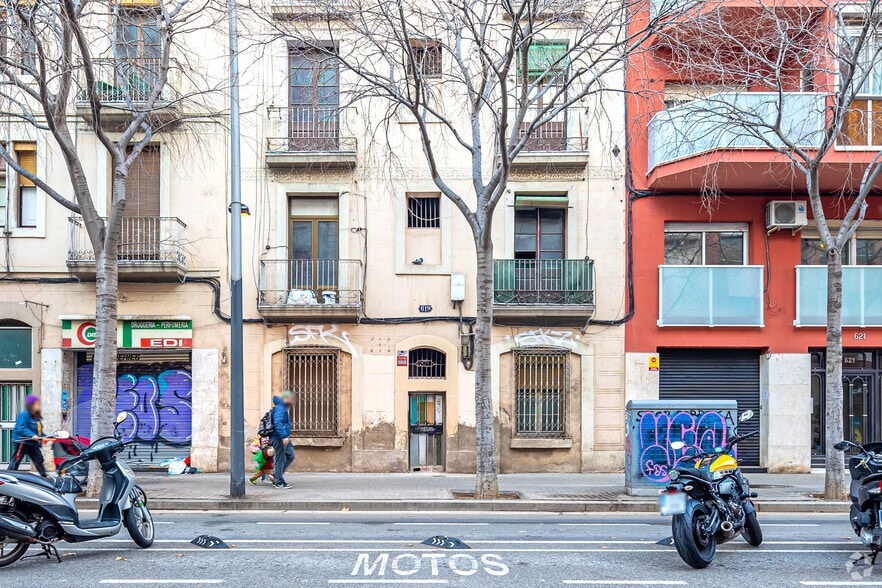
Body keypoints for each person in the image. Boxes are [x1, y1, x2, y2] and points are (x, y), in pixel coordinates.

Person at [8, 394, 46, 476]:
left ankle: (44, 477)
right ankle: (8, 476)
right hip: (22, 442)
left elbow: (39, 431)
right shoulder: (24, 414)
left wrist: (46, 437)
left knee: (39, 459)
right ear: (31, 405)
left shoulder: (36, 417)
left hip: (32, 443)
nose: (39, 405)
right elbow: (20, 427)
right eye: (37, 403)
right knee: (16, 460)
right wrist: (31, 435)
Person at [270, 391, 294, 489]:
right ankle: (279, 482)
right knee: (280, 459)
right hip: (278, 437)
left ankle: (276, 475)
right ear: (285, 399)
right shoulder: (280, 408)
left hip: (282, 437)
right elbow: (278, 423)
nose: (291, 401)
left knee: (290, 455)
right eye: (290, 399)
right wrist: (284, 436)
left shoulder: (282, 408)